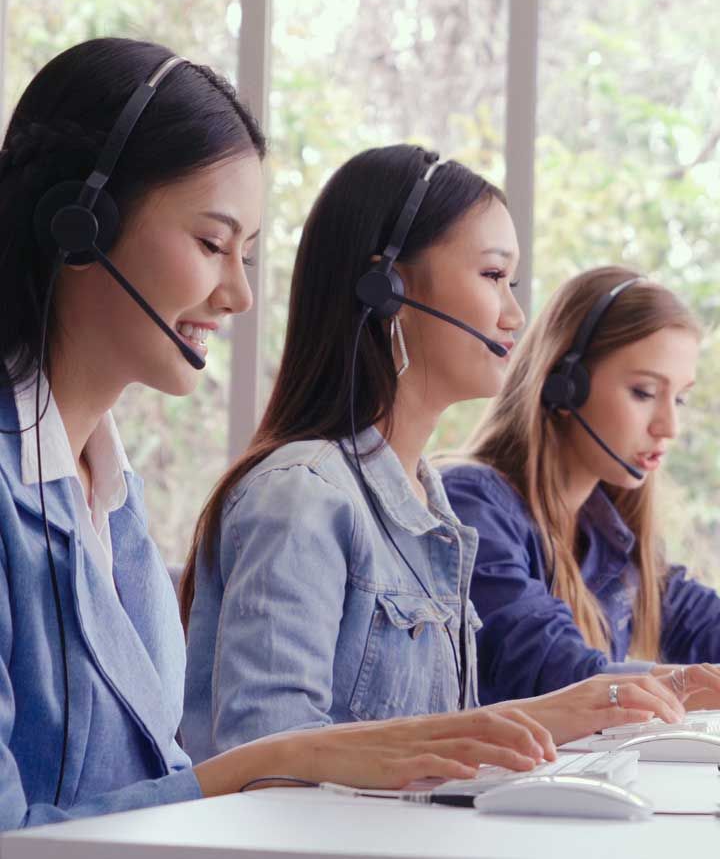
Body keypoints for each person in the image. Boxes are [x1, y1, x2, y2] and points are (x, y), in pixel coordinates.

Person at [0, 38, 561, 832]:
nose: (237, 295)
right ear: (81, 222)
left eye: (249, 256)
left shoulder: (115, 501)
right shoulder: (299, 494)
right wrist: (278, 761)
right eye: (210, 243)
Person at [181, 148, 711, 764]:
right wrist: (565, 709)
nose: (515, 315)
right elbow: (260, 762)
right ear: (388, 289)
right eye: (493, 276)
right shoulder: (304, 494)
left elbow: (439, 760)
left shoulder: (429, 503)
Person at [441, 266, 720, 706]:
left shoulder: (607, 534)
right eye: (645, 392)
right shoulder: (473, 504)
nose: (670, 426)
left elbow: (703, 621)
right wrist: (690, 685)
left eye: (679, 398)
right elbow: (557, 673)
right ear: (565, 385)